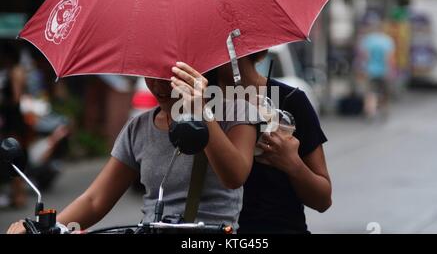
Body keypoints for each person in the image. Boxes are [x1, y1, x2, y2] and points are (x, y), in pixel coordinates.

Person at [7, 61, 257, 234]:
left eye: (168, 75)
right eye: (150, 74)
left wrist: (202, 112)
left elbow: (234, 176)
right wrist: (43, 226)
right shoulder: (138, 128)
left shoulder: (235, 112)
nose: (158, 87)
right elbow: (95, 200)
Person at [215, 51, 332, 234]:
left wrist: (292, 163)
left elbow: (323, 199)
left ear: (256, 52)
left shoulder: (290, 100)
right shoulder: (199, 104)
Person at [0, 41, 29, 209]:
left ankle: (19, 195)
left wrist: (3, 101)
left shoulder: (15, 71)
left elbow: (16, 98)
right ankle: (16, 194)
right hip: (11, 119)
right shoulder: (12, 71)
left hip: (14, 119)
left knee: (14, 157)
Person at [357, 17, 395, 119]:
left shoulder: (368, 40)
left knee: (370, 93)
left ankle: (370, 111)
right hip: (384, 71)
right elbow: (389, 58)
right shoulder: (387, 40)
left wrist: (362, 69)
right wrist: (390, 70)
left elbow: (365, 56)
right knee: (384, 92)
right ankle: (384, 110)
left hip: (370, 70)